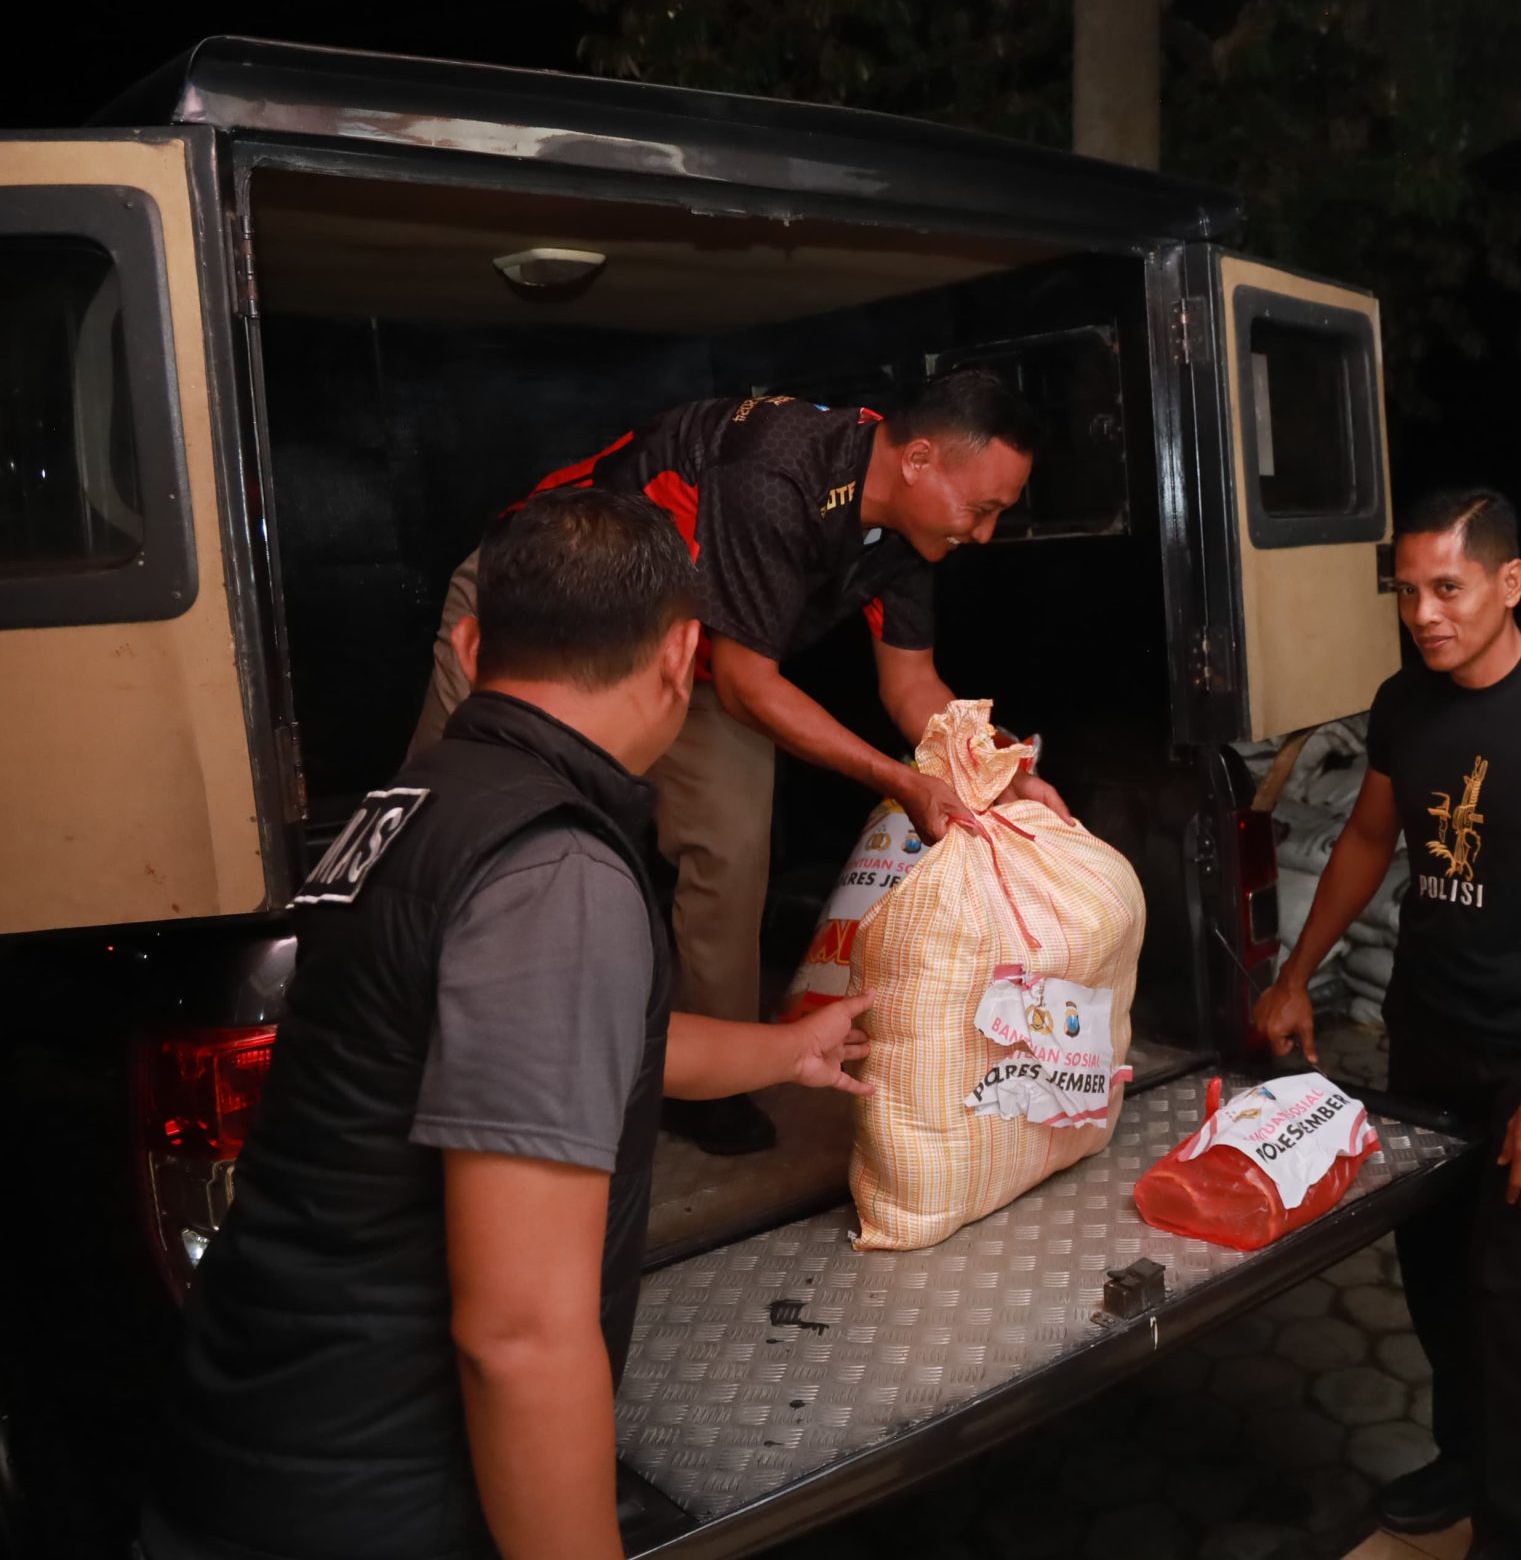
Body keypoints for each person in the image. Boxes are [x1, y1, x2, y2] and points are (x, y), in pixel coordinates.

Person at [143, 490, 874, 1560]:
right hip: (372, 1493)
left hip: (261, 1432)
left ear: (473, 645)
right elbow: (519, 1335)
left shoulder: (414, 802)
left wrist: (788, 1048)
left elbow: (544, 1044)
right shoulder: (554, 871)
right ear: (684, 656)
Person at [410, 370, 1067, 1154]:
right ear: (919, 459)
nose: (984, 534)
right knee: (446, 821)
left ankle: (708, 1083)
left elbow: (912, 686)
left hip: (694, 655)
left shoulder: (908, 538)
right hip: (539, 611)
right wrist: (900, 781)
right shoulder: (779, 470)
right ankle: (403, 1046)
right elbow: (752, 685)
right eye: (982, 508)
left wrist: (1005, 772)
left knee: (731, 840)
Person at [1252, 488, 1521, 1560]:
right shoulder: (1404, 701)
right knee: (1436, 1274)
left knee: (1508, 1297)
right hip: (1428, 1035)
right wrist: (1295, 974)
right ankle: (1463, 1457)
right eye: (1407, 592)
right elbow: (1367, 837)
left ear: (1510, 582)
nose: (1424, 614)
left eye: (1448, 587)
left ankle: (1515, 1527)